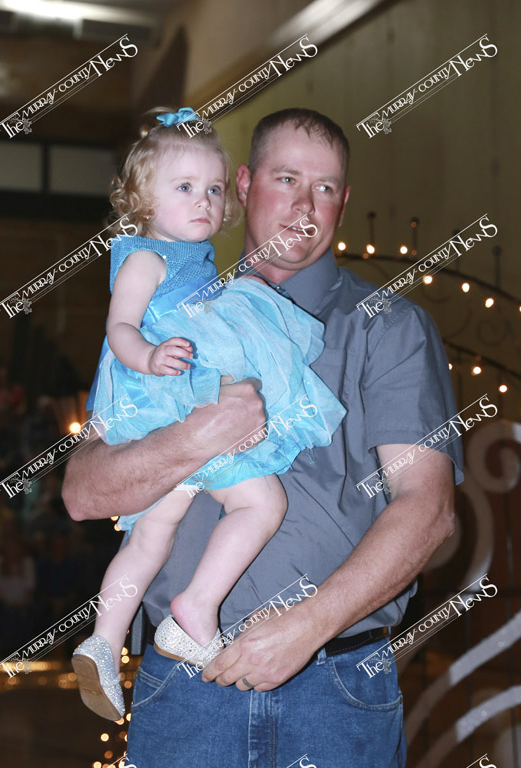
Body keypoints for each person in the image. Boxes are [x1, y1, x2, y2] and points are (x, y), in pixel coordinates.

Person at [63, 108, 463, 767]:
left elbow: (429, 509)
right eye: (286, 179)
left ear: (343, 202)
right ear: (244, 186)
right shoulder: (170, 311)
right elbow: (83, 493)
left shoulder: (389, 325)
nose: (306, 205)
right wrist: (195, 438)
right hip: (184, 687)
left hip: (336, 685)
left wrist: (307, 626)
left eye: (325, 187)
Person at [71, 107, 345, 721]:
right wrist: (149, 356)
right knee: (261, 504)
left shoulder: (192, 259)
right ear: (143, 199)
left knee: (152, 535)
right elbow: (118, 326)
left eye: (214, 190)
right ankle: (196, 608)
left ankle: (103, 642)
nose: (203, 201)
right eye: (185, 188)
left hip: (174, 398)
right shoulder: (146, 259)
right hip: (170, 392)